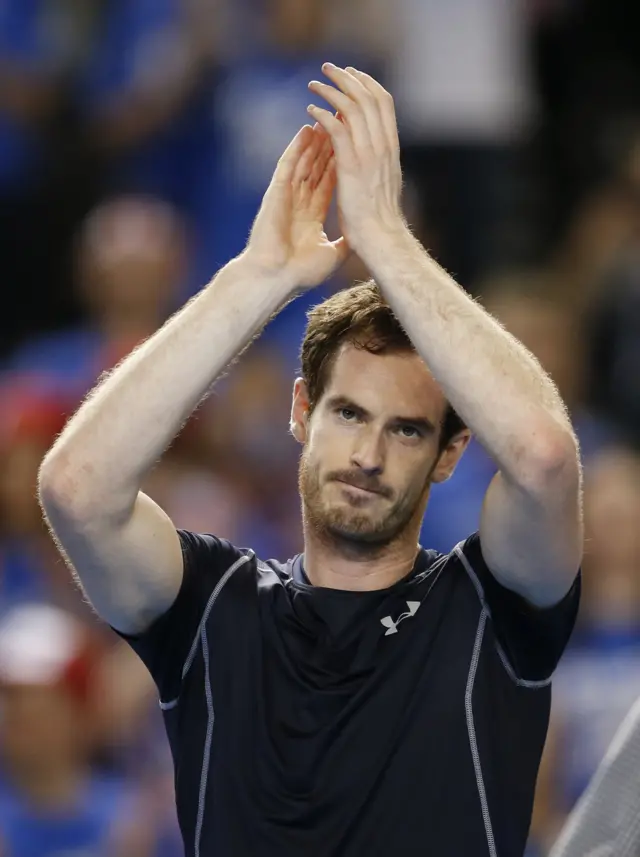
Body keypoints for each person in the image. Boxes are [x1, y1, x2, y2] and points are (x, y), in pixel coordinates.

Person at [38, 65, 583, 856]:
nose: (367, 452)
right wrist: (258, 278)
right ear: (301, 411)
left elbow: (541, 454)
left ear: (449, 454)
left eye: (405, 430)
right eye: (348, 412)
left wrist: (389, 243)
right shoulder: (211, 604)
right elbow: (75, 486)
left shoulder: (491, 607)